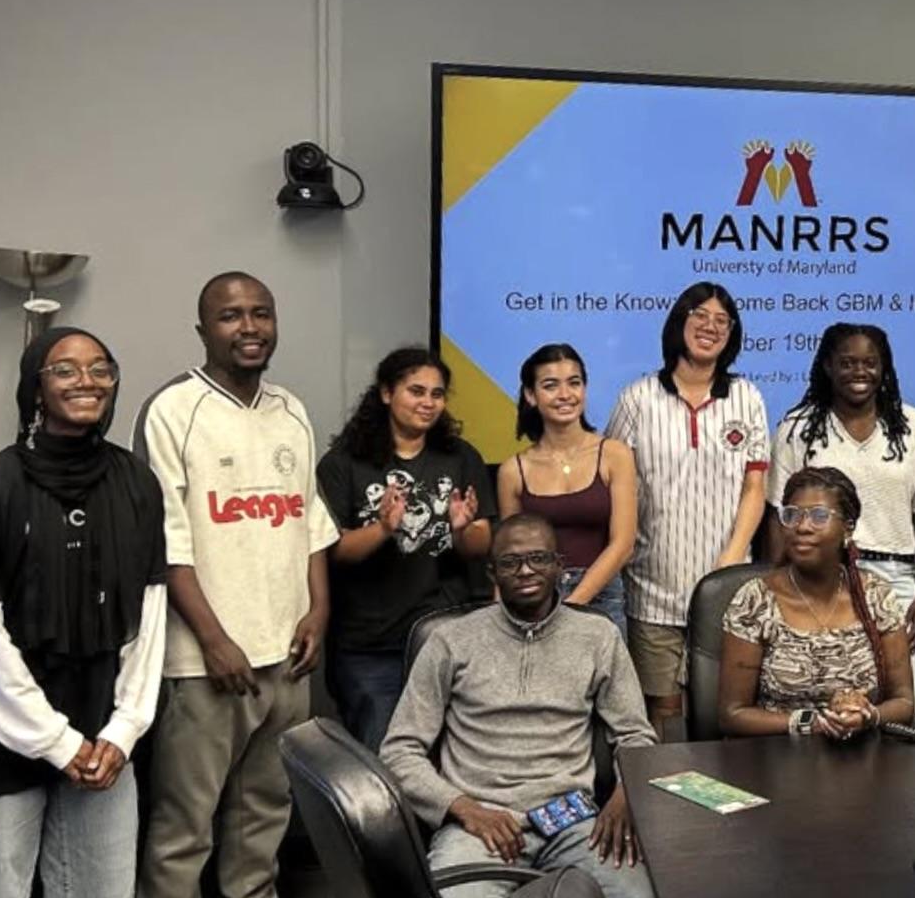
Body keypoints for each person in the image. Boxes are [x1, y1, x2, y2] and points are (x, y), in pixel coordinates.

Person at [0, 328, 167, 898]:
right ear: (35, 387)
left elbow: (149, 615)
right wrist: (56, 742)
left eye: (100, 369)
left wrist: (124, 730)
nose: (86, 381)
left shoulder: (137, 483)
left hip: (104, 734)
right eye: (65, 370)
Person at [133, 272, 339, 898]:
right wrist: (214, 640)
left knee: (265, 813)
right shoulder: (173, 410)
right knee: (183, 827)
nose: (248, 327)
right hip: (204, 667)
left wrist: (318, 608)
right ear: (203, 331)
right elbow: (166, 542)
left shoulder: (291, 409)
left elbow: (308, 519)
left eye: (261, 313)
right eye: (230, 316)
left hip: (286, 657)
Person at [381, 513, 659, 898]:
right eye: (510, 563)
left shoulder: (598, 637)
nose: (526, 571)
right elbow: (399, 750)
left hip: (574, 820)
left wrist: (625, 792)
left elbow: (636, 733)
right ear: (492, 572)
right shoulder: (451, 640)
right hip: (480, 825)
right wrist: (462, 808)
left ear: (559, 566)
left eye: (538, 559)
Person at [607, 283, 770, 738]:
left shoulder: (747, 397)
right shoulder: (637, 398)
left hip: (725, 589)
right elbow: (613, 486)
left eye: (722, 320)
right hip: (652, 586)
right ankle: (664, 806)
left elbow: (755, 487)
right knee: (663, 712)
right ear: (679, 321)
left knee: (722, 709)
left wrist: (733, 556)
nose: (710, 327)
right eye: (700, 315)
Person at [770, 323, 915, 718]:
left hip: (898, 583)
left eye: (870, 363)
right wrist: (777, 585)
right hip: (820, 581)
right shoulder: (797, 428)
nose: (859, 372)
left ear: (884, 368)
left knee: (907, 706)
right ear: (826, 367)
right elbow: (779, 518)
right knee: (828, 704)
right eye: (847, 363)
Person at [317, 346, 495, 751]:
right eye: (416, 391)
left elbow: (481, 544)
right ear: (385, 393)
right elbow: (334, 551)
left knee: (449, 758)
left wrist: (463, 528)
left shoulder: (460, 457)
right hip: (370, 645)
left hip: (446, 637)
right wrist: (382, 528)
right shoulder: (343, 464)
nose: (428, 403)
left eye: (437, 394)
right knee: (382, 763)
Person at [719, 467, 915, 737]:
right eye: (792, 515)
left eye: (819, 516)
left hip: (863, 757)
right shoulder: (755, 601)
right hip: (776, 759)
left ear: (848, 527)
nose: (802, 526)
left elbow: (904, 701)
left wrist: (868, 716)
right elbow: (732, 714)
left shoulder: (877, 598)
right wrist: (811, 723)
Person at [497, 344, 638, 631]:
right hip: (533, 598)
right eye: (550, 385)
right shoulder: (513, 470)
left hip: (603, 600)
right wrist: (499, 620)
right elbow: (508, 555)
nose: (565, 395)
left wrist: (571, 607)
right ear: (530, 395)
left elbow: (623, 544)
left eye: (574, 383)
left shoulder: (614, 454)